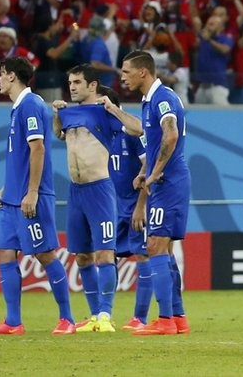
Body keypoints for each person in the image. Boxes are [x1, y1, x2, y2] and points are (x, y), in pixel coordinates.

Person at [0, 56, 75, 335]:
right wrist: (7, 189)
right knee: (3, 252)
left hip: (31, 196)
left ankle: (67, 320)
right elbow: (21, 157)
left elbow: (38, 149)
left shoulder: (32, 105)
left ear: (12, 76)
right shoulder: (18, 108)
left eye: (1, 74)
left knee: (45, 254)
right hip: (14, 197)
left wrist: (31, 192)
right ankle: (13, 321)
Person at [51, 64, 142, 333]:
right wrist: (56, 115)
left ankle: (105, 314)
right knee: (81, 257)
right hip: (75, 191)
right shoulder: (68, 112)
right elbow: (58, 134)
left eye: (78, 82)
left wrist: (113, 108)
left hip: (100, 190)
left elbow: (137, 129)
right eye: (70, 82)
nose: (72, 86)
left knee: (105, 254)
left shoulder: (103, 112)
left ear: (92, 85)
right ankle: (93, 316)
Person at [114, 50, 191, 336]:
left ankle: (165, 320)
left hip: (169, 182)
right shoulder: (149, 102)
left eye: (126, 71)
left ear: (143, 72)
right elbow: (158, 140)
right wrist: (146, 173)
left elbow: (170, 135)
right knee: (165, 250)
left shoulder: (163, 98)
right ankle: (178, 318)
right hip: (165, 181)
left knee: (156, 247)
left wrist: (156, 170)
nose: (123, 76)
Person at [102, 84, 152, 332]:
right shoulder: (102, 133)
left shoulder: (131, 131)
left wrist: (140, 206)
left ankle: (140, 318)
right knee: (106, 255)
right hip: (111, 208)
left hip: (135, 207)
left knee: (144, 255)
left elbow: (149, 166)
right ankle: (103, 315)